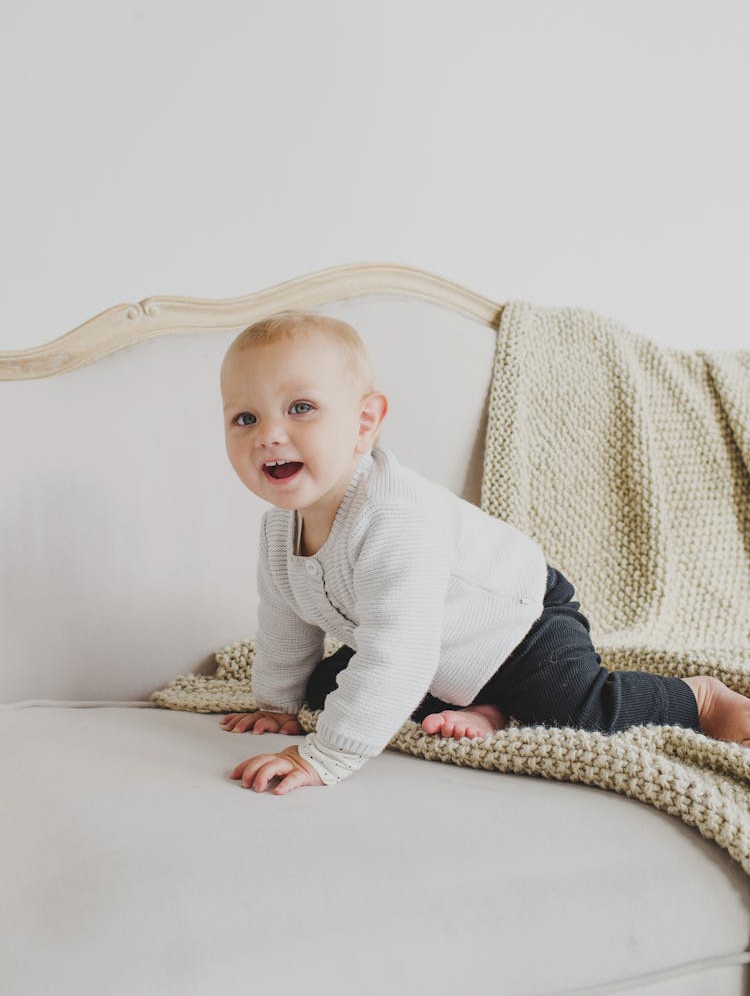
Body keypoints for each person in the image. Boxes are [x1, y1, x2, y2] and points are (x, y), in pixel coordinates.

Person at [218, 311, 750, 796]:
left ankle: (698, 699)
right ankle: (481, 706)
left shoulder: (392, 517)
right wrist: (277, 706)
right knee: (327, 687)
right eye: (245, 418)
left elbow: (400, 652)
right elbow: (286, 622)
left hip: (518, 624)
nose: (269, 435)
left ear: (364, 424)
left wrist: (325, 755)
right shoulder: (277, 531)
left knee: (574, 709)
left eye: (301, 408)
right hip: (432, 648)